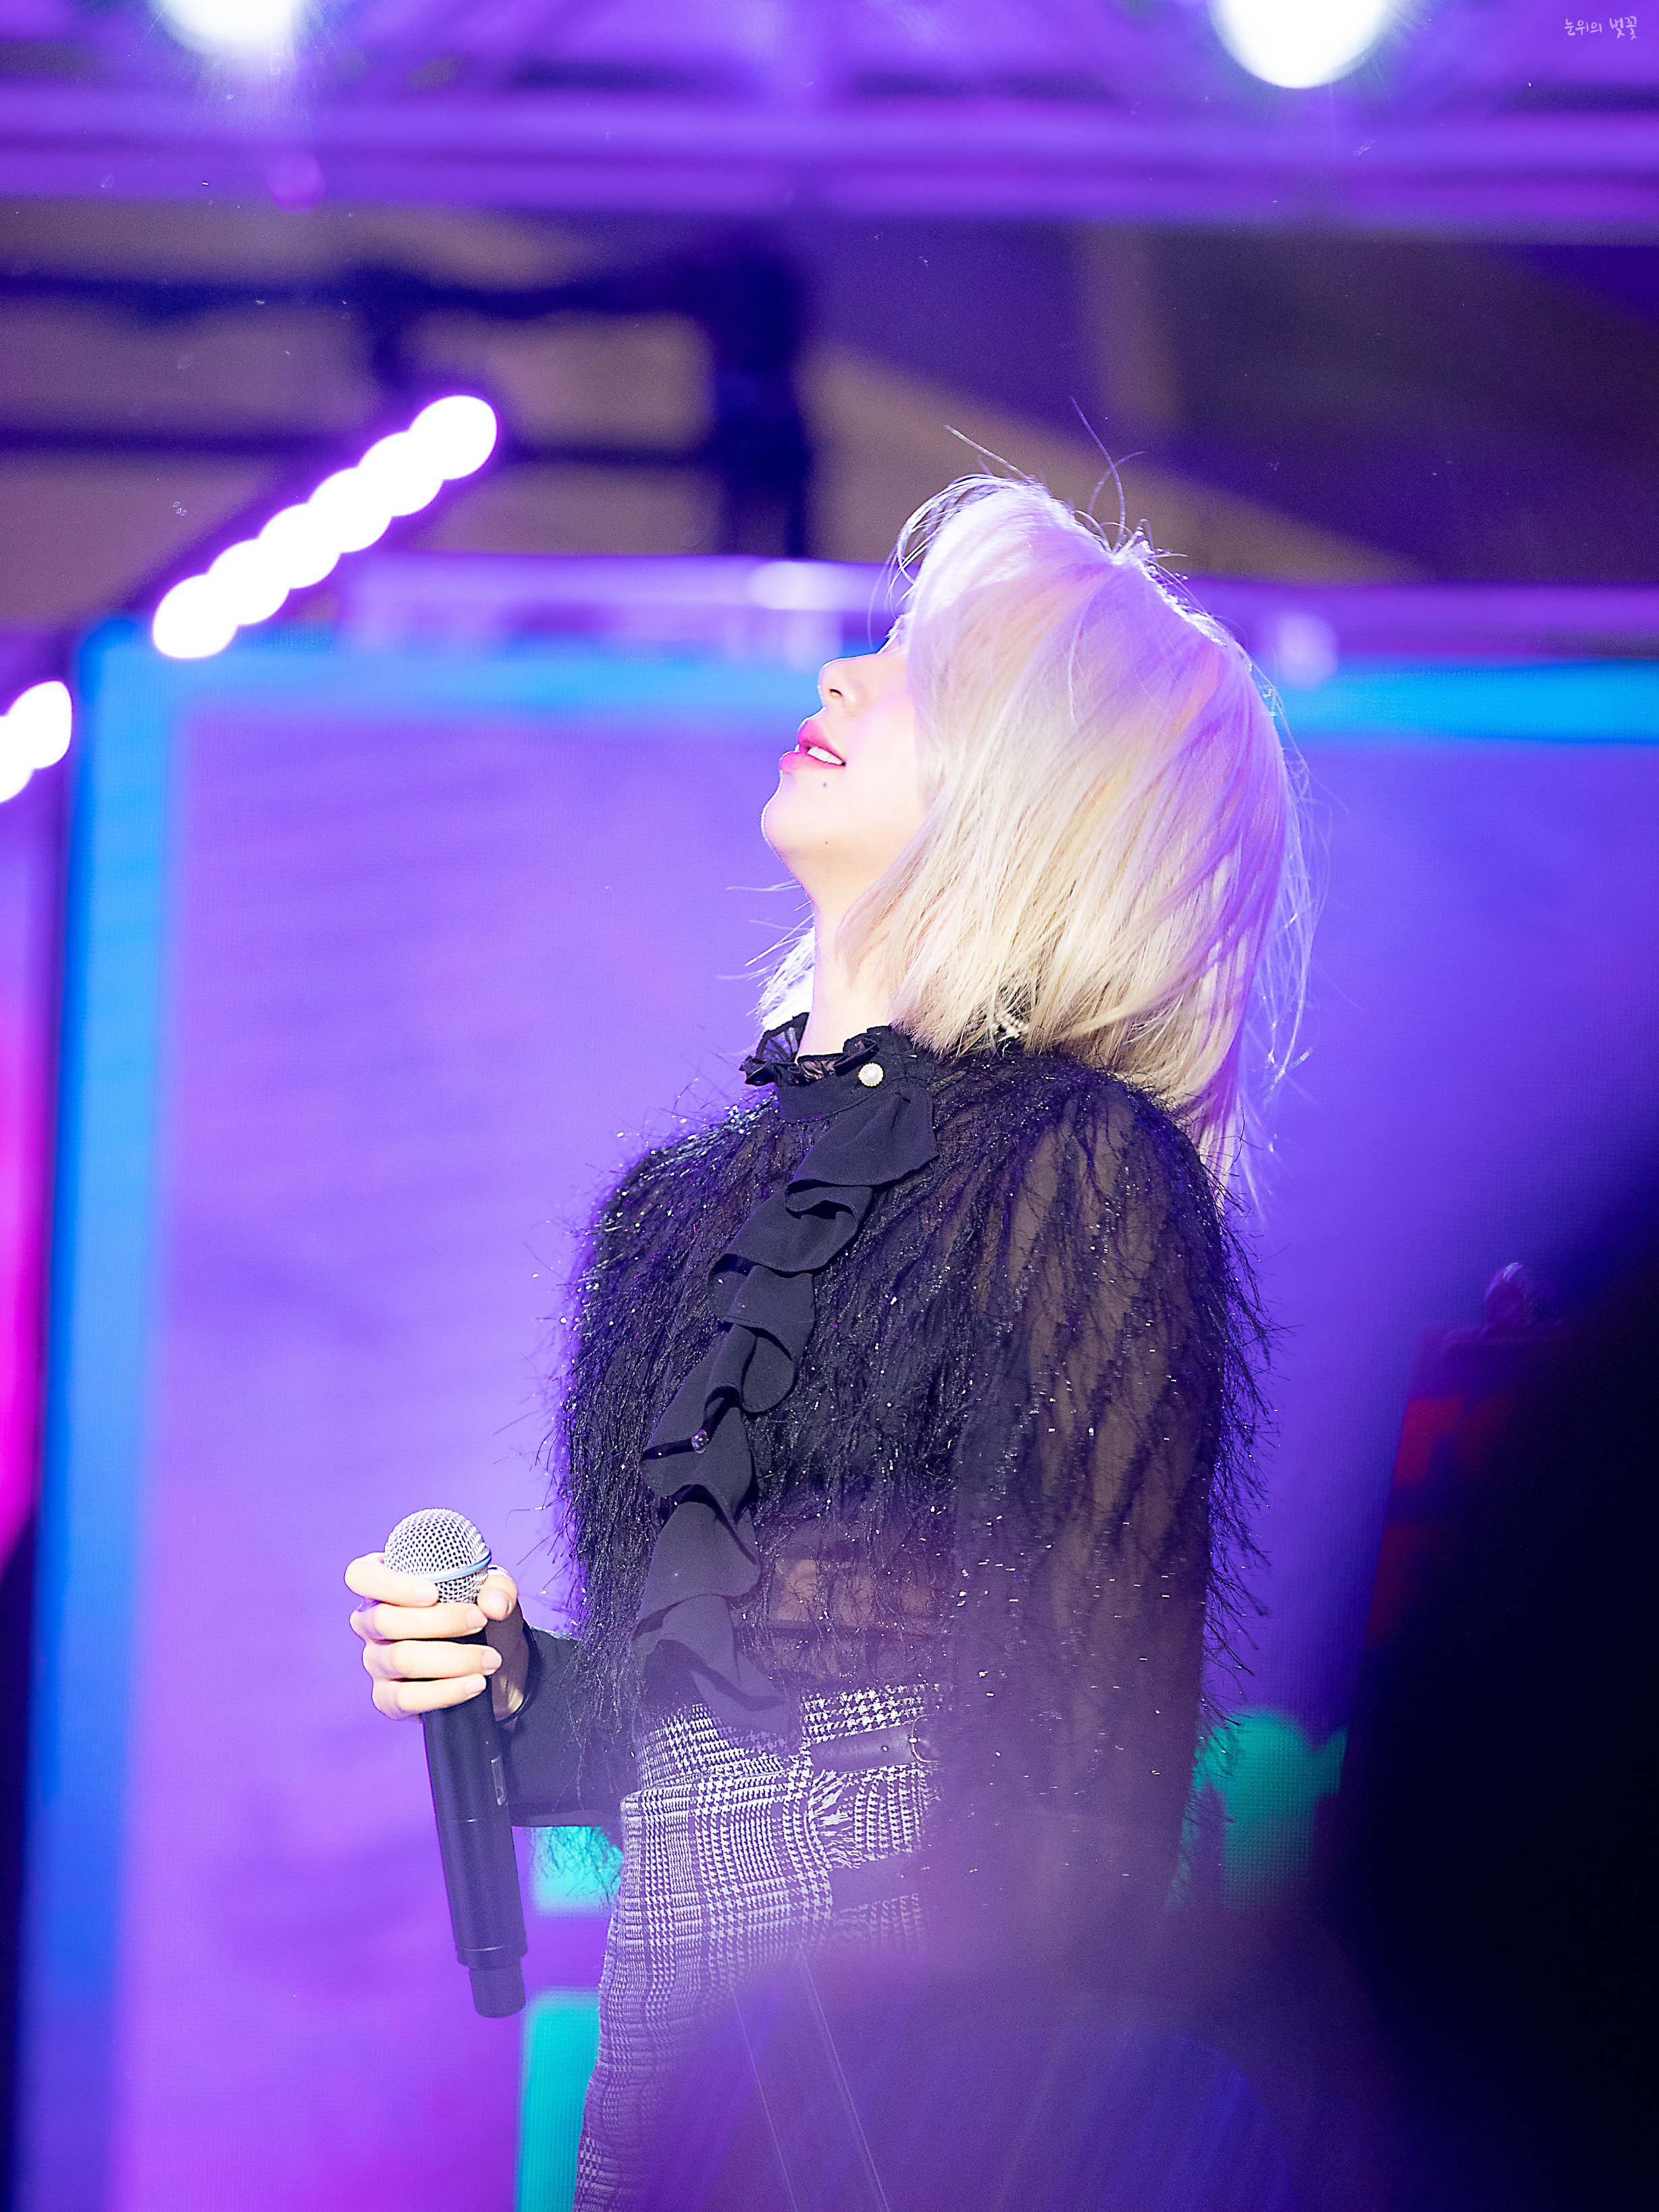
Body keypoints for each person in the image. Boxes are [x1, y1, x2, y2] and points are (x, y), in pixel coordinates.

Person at [345, 477, 1307, 2210]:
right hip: (674, 2058)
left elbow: (1093, 1790)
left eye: (925, 669)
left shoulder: (1074, 1175)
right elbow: (682, 1754)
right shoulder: (667, 1216)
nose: (846, 677)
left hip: (932, 2095)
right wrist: (520, 1686)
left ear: (1040, 788)